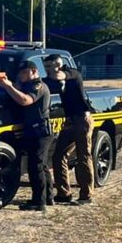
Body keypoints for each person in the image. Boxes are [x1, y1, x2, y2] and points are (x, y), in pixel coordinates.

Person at [0, 61, 54, 211]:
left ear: (33, 71)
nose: (21, 76)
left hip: (40, 131)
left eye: (24, 73)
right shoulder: (27, 85)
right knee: (42, 165)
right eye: (20, 73)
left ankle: (38, 202)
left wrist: (8, 86)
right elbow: (19, 90)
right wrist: (7, 83)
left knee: (36, 167)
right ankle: (48, 197)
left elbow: (25, 100)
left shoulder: (38, 86)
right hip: (34, 131)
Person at [45, 53, 94, 205]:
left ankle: (86, 196)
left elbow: (61, 76)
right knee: (58, 155)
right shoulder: (52, 78)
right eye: (45, 66)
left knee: (83, 156)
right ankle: (63, 194)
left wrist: (53, 74)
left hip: (82, 119)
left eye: (48, 66)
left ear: (58, 65)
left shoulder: (73, 73)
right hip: (70, 120)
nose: (46, 69)